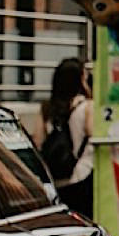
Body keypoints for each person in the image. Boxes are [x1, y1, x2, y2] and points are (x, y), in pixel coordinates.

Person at [40, 57, 96, 217]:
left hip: (56, 180)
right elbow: (93, 138)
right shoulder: (87, 107)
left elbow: (39, 141)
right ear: (81, 79)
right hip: (81, 177)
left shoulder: (46, 109)